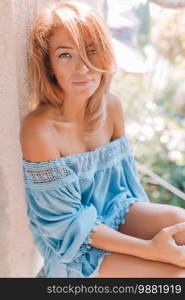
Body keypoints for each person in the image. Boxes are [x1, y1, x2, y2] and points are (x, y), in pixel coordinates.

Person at [19, 1, 185, 278]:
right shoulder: (40, 130)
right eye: (65, 55)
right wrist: (149, 249)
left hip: (116, 214)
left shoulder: (112, 107)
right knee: (175, 278)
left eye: (91, 51)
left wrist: (156, 245)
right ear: (48, 65)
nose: (82, 67)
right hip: (73, 247)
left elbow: (127, 187)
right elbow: (67, 224)